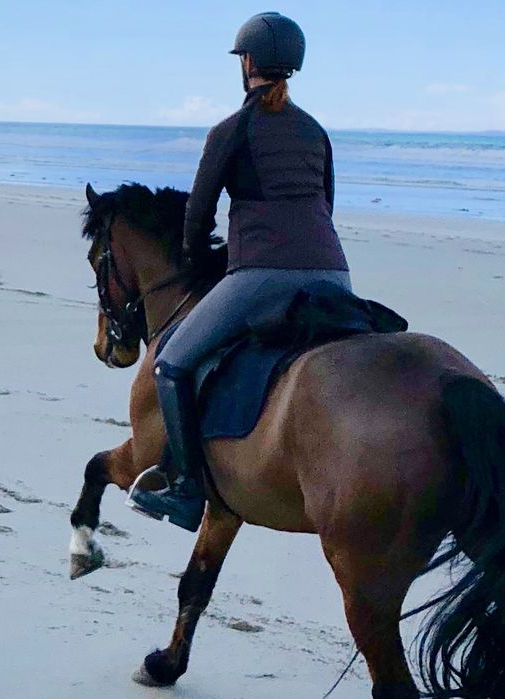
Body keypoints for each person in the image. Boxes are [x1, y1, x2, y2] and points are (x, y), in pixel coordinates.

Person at [127, 12, 352, 531]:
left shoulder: (231, 130)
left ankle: (185, 490)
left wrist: (194, 255)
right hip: (334, 274)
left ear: (247, 63)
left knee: (172, 364)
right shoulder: (316, 132)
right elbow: (326, 206)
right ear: (291, 66)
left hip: (260, 274)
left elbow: (198, 215)